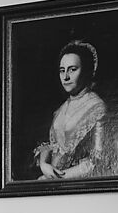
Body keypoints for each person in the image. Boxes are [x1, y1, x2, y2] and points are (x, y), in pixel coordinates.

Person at [34, 41, 106, 180]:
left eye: (72, 69)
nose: (66, 77)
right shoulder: (60, 110)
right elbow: (49, 145)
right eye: (62, 70)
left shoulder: (97, 107)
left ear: (86, 70)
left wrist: (56, 178)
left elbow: (97, 161)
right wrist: (43, 164)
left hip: (76, 183)